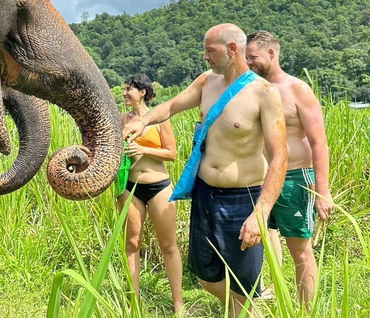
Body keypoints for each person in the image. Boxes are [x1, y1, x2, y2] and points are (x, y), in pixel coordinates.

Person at [123, 24, 288, 315]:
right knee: (205, 275)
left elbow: (279, 157)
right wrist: (142, 122)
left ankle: (245, 310)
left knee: (244, 282)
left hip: (243, 198)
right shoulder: (206, 82)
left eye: (210, 51)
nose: (205, 57)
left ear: (232, 49)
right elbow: (172, 105)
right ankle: (245, 310)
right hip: (205, 193)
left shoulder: (264, 93)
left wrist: (260, 212)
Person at [246, 31, 333, 307]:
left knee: (300, 250)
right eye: (245, 57)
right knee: (264, 241)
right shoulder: (251, 89)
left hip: (295, 178)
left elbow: (319, 143)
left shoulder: (297, 90)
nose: (248, 62)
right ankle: (275, 291)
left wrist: (323, 192)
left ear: (271, 53)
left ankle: (308, 310)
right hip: (260, 178)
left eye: (253, 57)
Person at [117, 74, 184, 314]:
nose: (124, 93)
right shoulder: (121, 119)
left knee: (168, 245)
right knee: (132, 243)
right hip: (130, 188)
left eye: (129, 89)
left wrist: (142, 149)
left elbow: (172, 153)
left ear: (143, 92)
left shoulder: (159, 119)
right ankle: (133, 303)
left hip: (158, 187)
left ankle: (178, 304)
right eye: (124, 89)